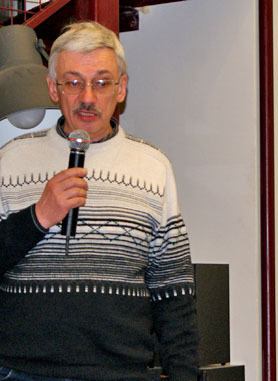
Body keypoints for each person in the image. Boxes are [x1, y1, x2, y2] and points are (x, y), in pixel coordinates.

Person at [0, 21, 198, 380]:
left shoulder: (152, 167)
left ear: (121, 89)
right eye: (73, 82)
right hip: (23, 372)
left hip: (122, 372)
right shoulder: (11, 160)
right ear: (52, 88)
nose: (87, 97)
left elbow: (174, 292)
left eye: (102, 83)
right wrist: (38, 217)